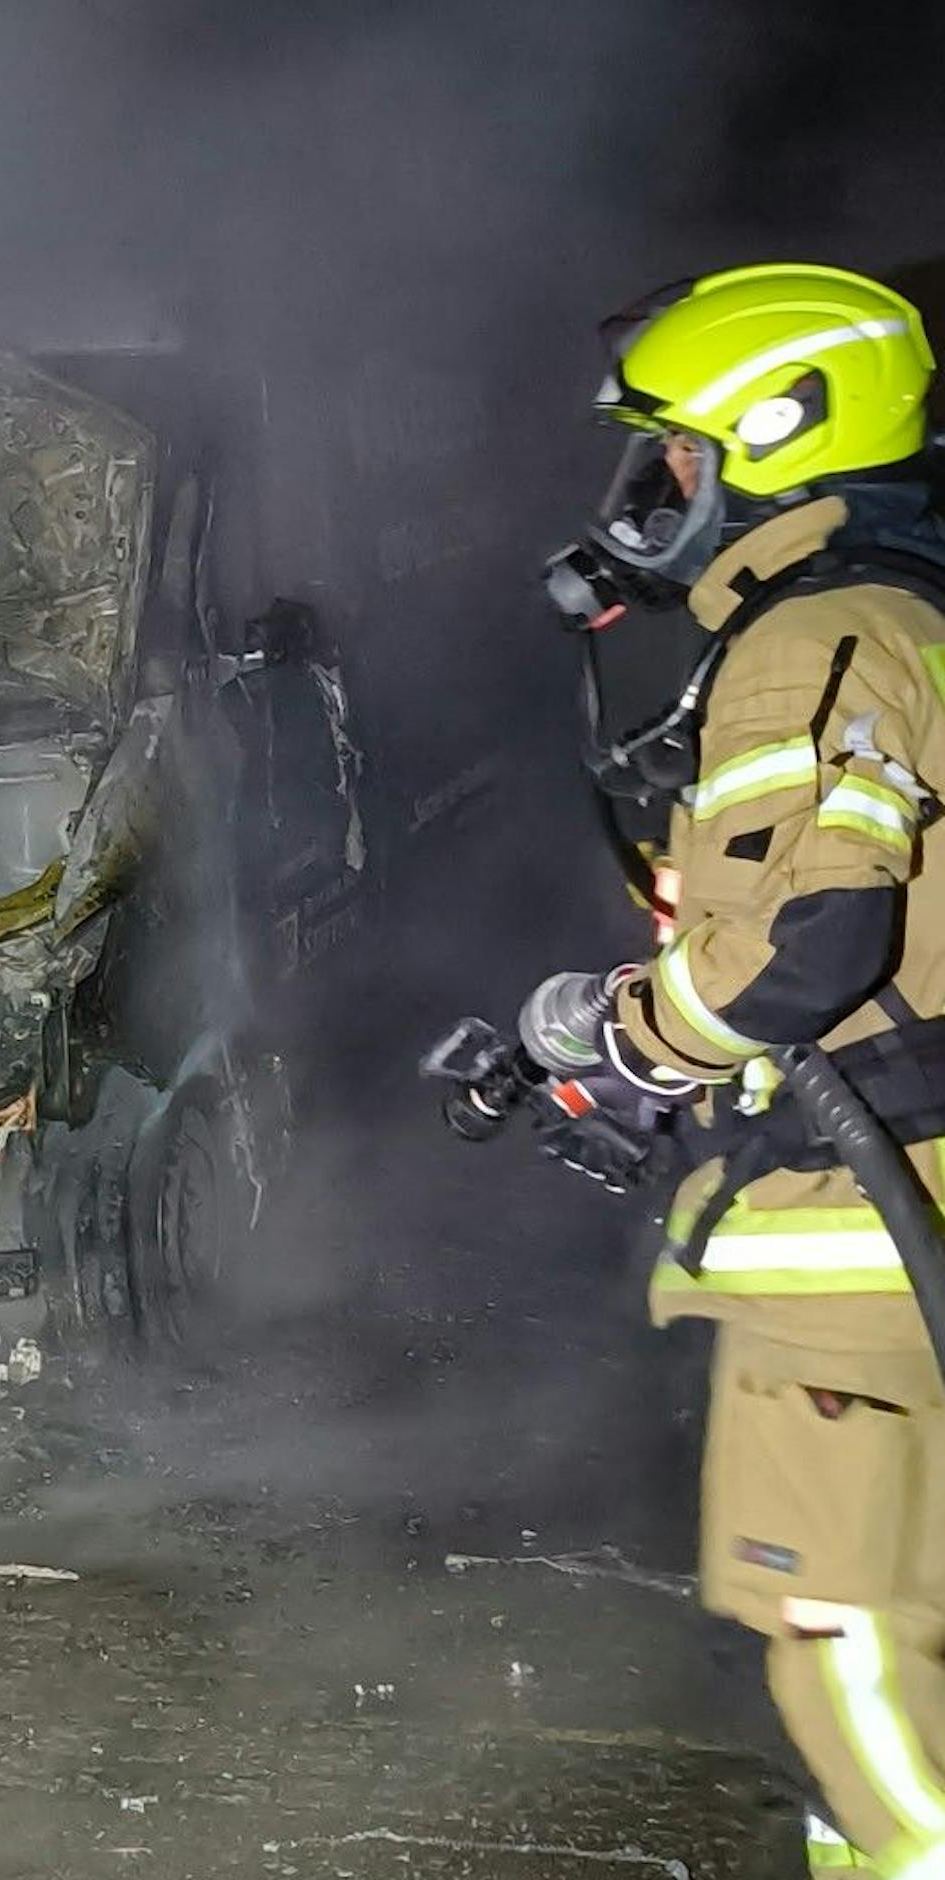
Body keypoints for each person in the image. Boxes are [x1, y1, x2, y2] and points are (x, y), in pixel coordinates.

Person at [519, 264, 945, 1878]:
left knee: (850, 1649)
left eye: (675, 462)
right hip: (890, 1207)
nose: (647, 503)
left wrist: (619, 1037)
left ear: (780, 441)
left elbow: (804, 950)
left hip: (857, 1234)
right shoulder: (900, 620)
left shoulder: (814, 636)